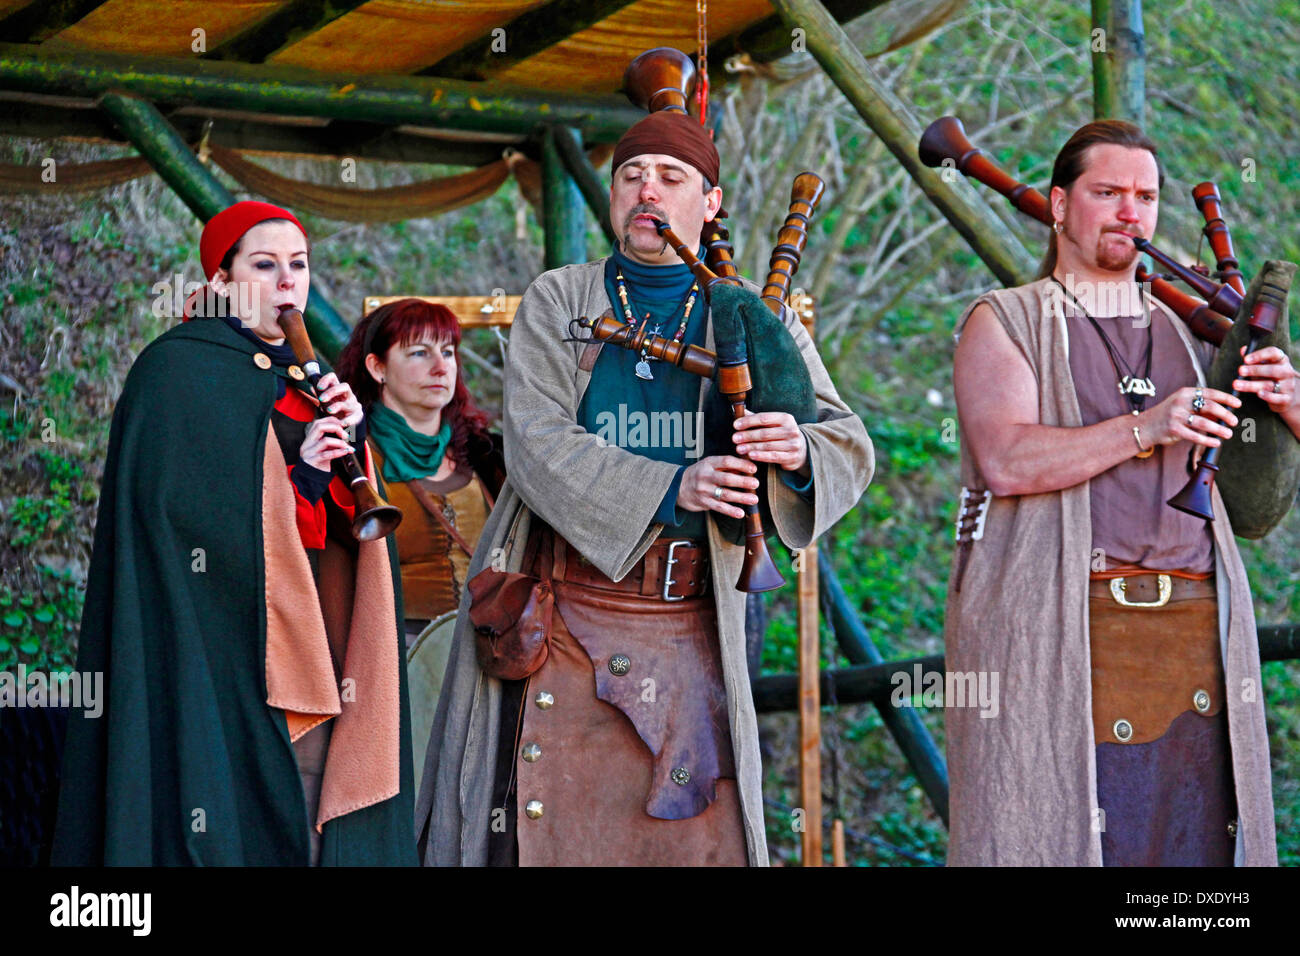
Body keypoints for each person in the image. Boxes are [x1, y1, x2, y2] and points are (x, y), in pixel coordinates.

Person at [414, 110, 874, 866]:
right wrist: (677, 484)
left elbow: (847, 442)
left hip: (695, 624)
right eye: (631, 176)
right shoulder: (560, 300)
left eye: (670, 177)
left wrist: (797, 447)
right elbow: (536, 446)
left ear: (710, 202)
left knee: (691, 840)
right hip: (562, 616)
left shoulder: (755, 315)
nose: (646, 191)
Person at [945, 121, 1297, 865]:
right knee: (1062, 838)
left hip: (1198, 636)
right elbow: (1008, 460)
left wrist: (1291, 407)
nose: (1130, 212)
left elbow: (1258, 503)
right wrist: (1149, 425)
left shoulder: (1195, 333)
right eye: (1107, 193)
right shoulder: (1003, 319)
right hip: (1062, 634)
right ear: (1060, 204)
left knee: (1198, 860)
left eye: (1145, 196)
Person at [52, 201, 417, 866]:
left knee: (313, 823)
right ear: (221, 282)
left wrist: (351, 443)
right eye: (265, 264)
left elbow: (341, 537)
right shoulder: (175, 373)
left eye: (299, 266)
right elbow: (184, 522)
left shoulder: (310, 380)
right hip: (220, 649)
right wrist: (296, 475)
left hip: (319, 649)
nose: (287, 282)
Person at [336, 299, 505, 645]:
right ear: (377, 367)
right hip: (393, 656)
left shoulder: (489, 455)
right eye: (419, 353)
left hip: (492, 651)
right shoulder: (348, 458)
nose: (442, 367)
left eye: (447, 352)